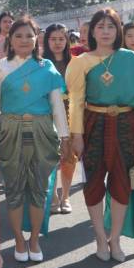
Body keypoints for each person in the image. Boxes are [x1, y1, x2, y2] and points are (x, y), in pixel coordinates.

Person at [66, 8, 134, 262]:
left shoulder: (130, 59)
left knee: (121, 183)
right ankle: (99, 237)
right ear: (92, 32)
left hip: (127, 125)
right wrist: (76, 135)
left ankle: (115, 239)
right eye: (100, 26)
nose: (105, 32)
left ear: (118, 31)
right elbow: (76, 102)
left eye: (111, 26)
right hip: (93, 125)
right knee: (93, 182)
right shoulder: (81, 62)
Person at [0, 17, 70, 264]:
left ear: (37, 39)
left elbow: (57, 105)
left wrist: (64, 136)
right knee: (13, 189)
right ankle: (18, 239)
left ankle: (34, 239)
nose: (24, 40)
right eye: (18, 36)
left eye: (29, 35)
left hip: (42, 130)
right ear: (10, 40)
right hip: (9, 130)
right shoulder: (1, 67)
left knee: (38, 189)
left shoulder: (47, 67)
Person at [43, 23, 75, 214]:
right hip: (47, 113)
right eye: (53, 39)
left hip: (71, 111)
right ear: (46, 41)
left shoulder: (75, 62)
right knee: (51, 155)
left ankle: (66, 196)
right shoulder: (41, 63)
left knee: (69, 156)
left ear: (67, 40)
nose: (57, 43)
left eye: (61, 39)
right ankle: (54, 195)